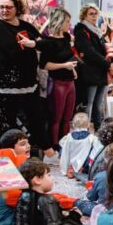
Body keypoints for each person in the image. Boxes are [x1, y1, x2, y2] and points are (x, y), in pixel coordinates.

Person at [0, 0, 53, 156]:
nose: (4, 10)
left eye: (8, 7)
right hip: (6, 82)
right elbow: (13, 51)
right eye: (1, 7)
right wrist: (34, 46)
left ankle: (46, 149)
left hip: (27, 81)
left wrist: (33, 43)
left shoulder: (24, 25)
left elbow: (48, 43)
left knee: (36, 115)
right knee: (7, 121)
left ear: (16, 8)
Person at [16, 159, 90, 225]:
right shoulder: (46, 200)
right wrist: (75, 216)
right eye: (48, 175)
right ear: (37, 180)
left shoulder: (23, 196)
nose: (51, 179)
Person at [38, 8, 78, 149]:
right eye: (67, 21)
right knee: (56, 118)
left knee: (68, 117)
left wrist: (72, 69)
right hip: (57, 83)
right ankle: (55, 144)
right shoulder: (48, 41)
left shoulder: (66, 38)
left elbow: (68, 57)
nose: (69, 24)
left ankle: (65, 142)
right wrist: (64, 65)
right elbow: (44, 65)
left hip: (70, 82)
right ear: (59, 21)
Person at [74, 4, 111, 130]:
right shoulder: (81, 30)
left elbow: (102, 50)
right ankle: (83, 131)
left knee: (98, 104)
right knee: (88, 104)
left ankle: (98, 130)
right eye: (91, 14)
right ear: (84, 15)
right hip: (89, 72)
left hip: (100, 71)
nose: (94, 16)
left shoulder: (96, 30)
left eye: (96, 14)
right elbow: (89, 52)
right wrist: (107, 64)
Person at [59, 112, 96, 178]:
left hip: (71, 159)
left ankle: (71, 168)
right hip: (84, 161)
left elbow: (61, 145)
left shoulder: (69, 136)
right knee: (93, 150)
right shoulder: (91, 137)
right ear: (88, 125)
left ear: (73, 125)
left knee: (63, 148)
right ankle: (82, 169)